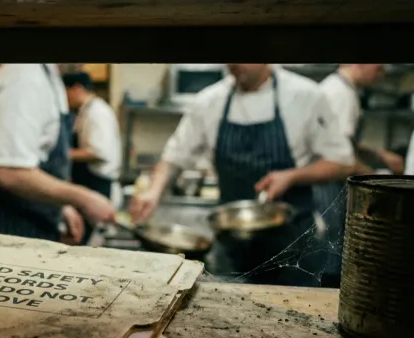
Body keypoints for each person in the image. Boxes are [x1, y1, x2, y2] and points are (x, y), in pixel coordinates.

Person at [130, 64, 355, 287]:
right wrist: (153, 192)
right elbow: (174, 156)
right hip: (231, 243)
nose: (235, 65)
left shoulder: (306, 95)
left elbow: (342, 163)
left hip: (294, 243)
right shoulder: (209, 101)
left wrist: (292, 176)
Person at [0, 64, 115, 244]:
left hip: (27, 214)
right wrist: (85, 199)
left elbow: (35, 157)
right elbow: (10, 172)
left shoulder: (47, 78)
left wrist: (59, 205)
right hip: (5, 217)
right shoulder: (24, 76)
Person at [317, 64, 403, 287]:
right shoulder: (340, 95)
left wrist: (381, 154)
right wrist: (378, 180)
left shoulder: (341, 89)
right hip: (328, 184)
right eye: (378, 68)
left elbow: (346, 141)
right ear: (360, 64)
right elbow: (341, 156)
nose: (381, 75)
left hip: (332, 182)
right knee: (332, 252)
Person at [62, 71, 123, 244]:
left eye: (65, 91)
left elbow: (98, 152)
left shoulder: (98, 113)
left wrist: (63, 155)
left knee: (89, 246)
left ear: (77, 88)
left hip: (100, 186)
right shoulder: (85, 111)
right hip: (91, 184)